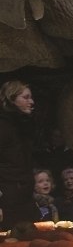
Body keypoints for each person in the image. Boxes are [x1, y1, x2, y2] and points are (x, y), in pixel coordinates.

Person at [0, 80, 37, 227]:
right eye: (26, 97)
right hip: (7, 199)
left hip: (24, 195)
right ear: (11, 99)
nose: (31, 102)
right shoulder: (2, 127)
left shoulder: (22, 126)